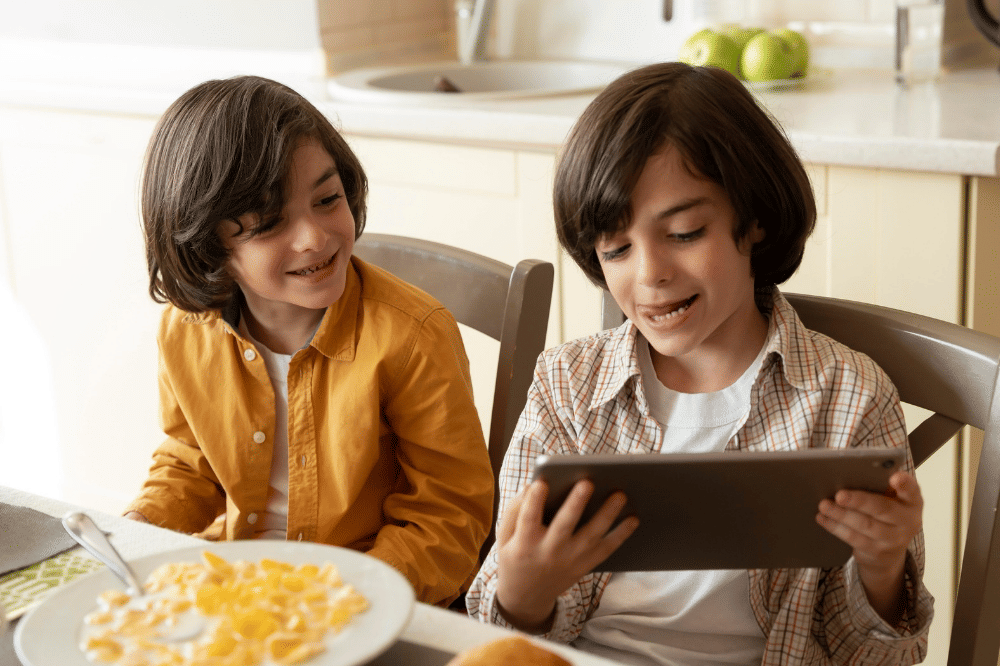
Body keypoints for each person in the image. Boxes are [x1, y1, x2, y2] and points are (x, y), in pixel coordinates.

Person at [466, 62, 933, 664]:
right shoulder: (565, 388)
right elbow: (498, 633)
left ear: (755, 220)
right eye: (617, 248)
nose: (650, 274)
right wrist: (524, 595)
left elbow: (875, 659)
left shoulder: (849, 396)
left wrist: (882, 568)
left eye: (685, 232)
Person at [123, 75, 494, 607]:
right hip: (238, 588)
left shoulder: (412, 336)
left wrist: (339, 599)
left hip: (369, 596)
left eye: (327, 199)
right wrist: (139, 526)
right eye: (271, 223)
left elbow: (448, 515)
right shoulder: (186, 330)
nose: (315, 238)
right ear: (208, 243)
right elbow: (190, 461)